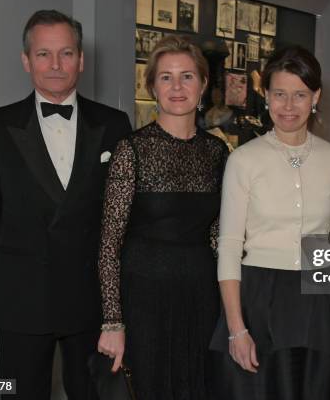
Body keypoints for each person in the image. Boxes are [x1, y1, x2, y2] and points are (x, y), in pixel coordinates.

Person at [0, 9, 131, 400]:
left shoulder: (115, 123)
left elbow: (123, 212)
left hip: (91, 298)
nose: (56, 65)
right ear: (26, 60)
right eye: (43, 54)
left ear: (81, 59)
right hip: (22, 294)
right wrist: (24, 255)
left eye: (66, 53)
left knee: (93, 395)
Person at [210, 46, 330, 399]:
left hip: (319, 300)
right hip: (259, 299)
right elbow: (229, 245)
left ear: (315, 96)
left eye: (299, 95)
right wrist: (236, 328)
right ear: (266, 96)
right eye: (279, 94)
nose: (288, 106)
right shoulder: (244, 161)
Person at [96, 35, 229, 399]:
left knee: (200, 386)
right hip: (144, 295)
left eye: (187, 76)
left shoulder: (217, 152)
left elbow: (218, 234)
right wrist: (112, 321)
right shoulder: (132, 150)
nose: (177, 87)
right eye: (166, 77)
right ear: (151, 86)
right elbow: (110, 244)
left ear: (203, 85)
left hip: (201, 294)